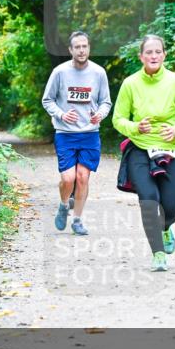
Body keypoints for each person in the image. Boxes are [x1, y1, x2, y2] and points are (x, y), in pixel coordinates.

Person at [112, 35, 175, 271]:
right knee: (149, 200)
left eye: (157, 52)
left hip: (172, 150)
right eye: (148, 52)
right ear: (141, 56)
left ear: (164, 55)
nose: (153, 56)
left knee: (170, 207)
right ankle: (158, 253)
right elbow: (118, 119)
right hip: (140, 149)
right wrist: (135, 127)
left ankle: (166, 227)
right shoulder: (130, 84)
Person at [41, 30, 112, 236]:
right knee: (68, 178)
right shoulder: (60, 72)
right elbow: (47, 100)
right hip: (65, 133)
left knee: (82, 178)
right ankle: (64, 205)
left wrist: (99, 114)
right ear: (71, 50)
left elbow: (105, 102)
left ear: (89, 48)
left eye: (85, 46)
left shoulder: (99, 73)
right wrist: (62, 115)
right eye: (77, 47)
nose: (81, 50)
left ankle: (78, 220)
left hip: (90, 133)